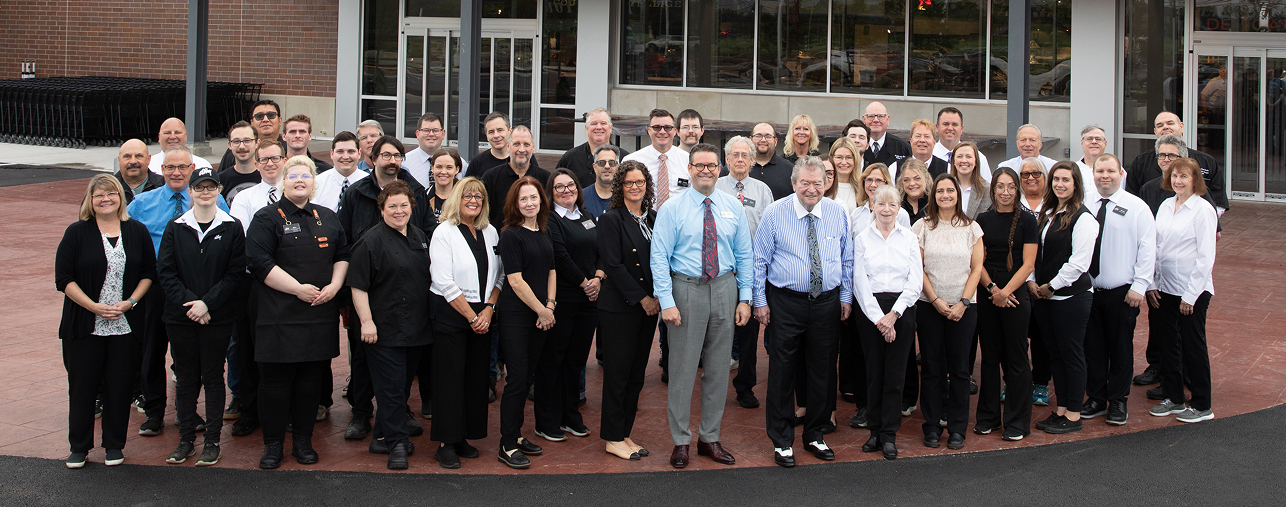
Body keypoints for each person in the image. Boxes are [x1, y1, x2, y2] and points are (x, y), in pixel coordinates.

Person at [651, 143, 754, 469]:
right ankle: (681, 441)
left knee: (718, 370)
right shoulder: (672, 209)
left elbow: (745, 254)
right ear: (691, 169)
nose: (706, 170)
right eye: (700, 165)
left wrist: (745, 297)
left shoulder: (732, 207)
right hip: (686, 291)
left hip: (724, 289)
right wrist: (666, 301)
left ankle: (710, 437)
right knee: (682, 370)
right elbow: (659, 258)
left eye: (711, 165)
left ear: (719, 168)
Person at [244, 156, 350, 469]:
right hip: (278, 316)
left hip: (318, 315)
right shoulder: (266, 218)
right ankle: (273, 445)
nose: (300, 180)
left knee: (309, 384)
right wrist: (296, 289)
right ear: (283, 182)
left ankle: (303, 442)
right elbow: (259, 262)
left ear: (313, 182)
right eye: (293, 175)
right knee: (275, 385)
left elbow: (343, 254)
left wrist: (334, 285)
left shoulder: (328, 217)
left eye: (306, 175)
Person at [753, 156, 854, 467]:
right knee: (783, 370)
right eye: (805, 183)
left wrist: (846, 296)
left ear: (826, 183)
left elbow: (846, 258)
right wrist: (759, 301)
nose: (812, 189)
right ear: (794, 183)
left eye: (818, 183)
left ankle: (815, 434)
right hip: (786, 302)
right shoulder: (774, 213)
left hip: (827, 302)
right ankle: (782, 440)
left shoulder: (838, 213)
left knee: (823, 370)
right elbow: (759, 261)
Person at [126, 145, 229, 438]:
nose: (176, 173)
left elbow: (229, 234)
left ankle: (189, 411)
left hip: (198, 290)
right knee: (152, 349)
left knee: (190, 355)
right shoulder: (142, 203)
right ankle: (155, 411)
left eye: (183, 167)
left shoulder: (213, 199)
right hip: (156, 287)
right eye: (170, 167)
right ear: (160, 170)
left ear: (192, 170)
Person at [335, 135, 432, 442]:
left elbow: (426, 234)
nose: (392, 161)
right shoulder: (356, 192)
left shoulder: (414, 190)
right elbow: (342, 237)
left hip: (404, 290)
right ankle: (361, 413)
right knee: (363, 356)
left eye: (397, 156)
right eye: (386, 155)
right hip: (365, 286)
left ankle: (397, 411)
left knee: (402, 361)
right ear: (372, 158)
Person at [55, 174, 155, 469]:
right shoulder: (76, 233)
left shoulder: (136, 231)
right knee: (83, 386)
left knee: (120, 386)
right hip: (85, 325)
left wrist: (131, 302)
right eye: (98, 195)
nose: (105, 199)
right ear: (90, 200)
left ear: (120, 198)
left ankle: (114, 445)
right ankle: (79, 446)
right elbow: (64, 279)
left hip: (126, 324)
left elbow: (149, 272)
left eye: (111, 193)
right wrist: (93, 307)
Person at [156, 167, 245, 467]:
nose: (205, 192)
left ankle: (212, 441)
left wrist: (206, 305)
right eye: (199, 188)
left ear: (219, 190)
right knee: (186, 378)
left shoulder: (232, 227)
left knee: (213, 377)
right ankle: (185, 441)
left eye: (211, 187)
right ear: (190, 192)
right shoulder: (175, 226)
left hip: (217, 318)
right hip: (181, 318)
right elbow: (166, 273)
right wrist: (192, 305)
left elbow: (234, 275)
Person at [347, 180, 433, 470]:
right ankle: (396, 444)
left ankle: (381, 436)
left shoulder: (420, 236)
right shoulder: (370, 242)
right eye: (392, 206)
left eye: (404, 205)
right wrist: (367, 322)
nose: (399, 211)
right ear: (381, 209)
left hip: (416, 328)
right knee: (391, 389)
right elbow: (358, 286)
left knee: (402, 387)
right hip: (383, 330)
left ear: (412, 207)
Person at [429, 177, 502, 469]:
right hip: (452, 315)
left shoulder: (491, 231)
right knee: (449, 381)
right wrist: (471, 316)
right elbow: (443, 280)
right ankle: (446, 443)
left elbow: (501, 275)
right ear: (457, 198)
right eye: (468, 195)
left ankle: (462, 437)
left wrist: (488, 310)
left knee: (474, 380)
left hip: (484, 315)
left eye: (479, 197)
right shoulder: (443, 232)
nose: (474, 200)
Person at [1082, 154, 1155, 427]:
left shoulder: (1137, 207)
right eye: (1100, 170)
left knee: (1120, 349)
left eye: (1110, 170)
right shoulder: (1085, 203)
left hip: (1122, 293)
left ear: (1121, 173)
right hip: (1088, 291)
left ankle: (1119, 401)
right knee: (1094, 349)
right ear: (1093, 173)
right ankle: (1097, 399)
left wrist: (1140, 286)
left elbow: (1148, 248)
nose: (1105, 175)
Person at [913, 174, 985, 450]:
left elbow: (977, 268)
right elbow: (916, 268)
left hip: (964, 309)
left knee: (959, 370)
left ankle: (957, 428)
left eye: (950, 190)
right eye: (940, 191)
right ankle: (931, 426)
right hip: (930, 306)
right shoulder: (921, 227)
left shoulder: (971, 228)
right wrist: (935, 301)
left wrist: (963, 303)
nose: (945, 195)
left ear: (958, 194)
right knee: (931, 368)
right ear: (933, 195)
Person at [851, 184, 922, 460]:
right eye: (881, 204)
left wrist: (894, 316)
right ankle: (874, 432)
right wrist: (879, 318)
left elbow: (915, 282)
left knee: (895, 376)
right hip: (871, 312)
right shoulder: (862, 238)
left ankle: (889, 435)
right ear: (873, 206)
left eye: (892, 204)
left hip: (901, 310)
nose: (886, 209)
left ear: (899, 208)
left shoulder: (908, 238)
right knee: (874, 373)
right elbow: (859, 281)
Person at [1028, 161, 1098, 435]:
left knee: (1071, 354)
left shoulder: (1084, 218)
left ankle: (1073, 414)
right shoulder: (1047, 212)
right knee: (1055, 354)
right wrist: (1033, 282)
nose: (1059, 184)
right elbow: (1036, 251)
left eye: (1066, 180)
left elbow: (1079, 263)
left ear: (1076, 184)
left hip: (1070, 297)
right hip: (1045, 297)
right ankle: (1060, 410)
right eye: (1056, 179)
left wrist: (1051, 286)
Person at [596, 161, 660, 461]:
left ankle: (624, 433)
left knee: (636, 375)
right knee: (618, 375)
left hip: (648, 308)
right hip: (621, 308)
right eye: (628, 183)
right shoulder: (612, 220)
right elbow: (613, 265)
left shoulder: (654, 218)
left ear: (647, 185)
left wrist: (658, 297)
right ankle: (611, 437)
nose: (635, 187)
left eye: (640, 182)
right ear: (620, 187)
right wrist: (642, 299)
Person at [535, 169, 604, 443]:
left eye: (571, 185)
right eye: (559, 187)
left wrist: (598, 278)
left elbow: (601, 252)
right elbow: (560, 257)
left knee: (575, 362)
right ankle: (547, 421)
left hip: (589, 302)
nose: (566, 190)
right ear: (550, 193)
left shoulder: (587, 217)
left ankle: (569, 416)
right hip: (562, 300)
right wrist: (585, 282)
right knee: (553, 361)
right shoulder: (550, 220)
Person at [1147, 158, 1217, 424]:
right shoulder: (1165, 206)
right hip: (1164, 288)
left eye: (1184, 176)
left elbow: (1206, 257)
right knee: (1167, 345)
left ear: (1195, 179)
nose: (1178, 180)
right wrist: (1152, 283)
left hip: (1192, 290)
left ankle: (1201, 404)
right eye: (1174, 175)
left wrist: (1191, 296)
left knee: (1192, 346)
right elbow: (1154, 246)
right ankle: (1174, 398)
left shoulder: (1203, 210)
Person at [495, 176, 557, 469]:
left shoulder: (543, 231)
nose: (530, 203)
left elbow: (551, 271)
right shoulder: (510, 235)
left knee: (527, 376)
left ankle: (517, 435)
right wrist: (541, 311)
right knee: (517, 378)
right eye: (524, 199)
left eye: (534, 198)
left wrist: (550, 305)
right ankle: (506, 444)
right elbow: (515, 281)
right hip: (517, 316)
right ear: (515, 204)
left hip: (541, 313)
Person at [973, 167, 1038, 441]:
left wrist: (1006, 292)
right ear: (993, 189)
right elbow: (978, 262)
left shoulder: (1028, 220)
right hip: (988, 291)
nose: (1005, 192)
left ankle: (1017, 422)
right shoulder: (982, 220)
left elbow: (1029, 264)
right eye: (1000, 186)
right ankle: (988, 417)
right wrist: (992, 289)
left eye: (1011, 186)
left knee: (1016, 358)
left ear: (1017, 189)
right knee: (989, 358)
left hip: (1015, 295)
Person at [716, 135, 774, 408]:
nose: (740, 159)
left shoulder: (763, 190)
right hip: (720, 271)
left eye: (745, 155)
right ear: (726, 160)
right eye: (735, 155)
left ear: (752, 160)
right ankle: (713, 382)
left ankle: (745, 387)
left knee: (748, 335)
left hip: (751, 273)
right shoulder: (714, 188)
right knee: (717, 331)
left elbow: (769, 231)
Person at [1126, 112, 1229, 217]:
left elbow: (1219, 201)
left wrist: (1209, 219)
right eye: (1160, 125)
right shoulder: (1141, 162)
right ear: (1155, 131)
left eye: (1170, 123)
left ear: (1181, 127)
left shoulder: (1207, 162)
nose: (1165, 127)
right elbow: (1131, 198)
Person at [1017, 157, 1053, 407]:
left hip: (1046, 284)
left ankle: (1040, 383)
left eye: (1036, 174)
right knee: (1017, 336)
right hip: (1017, 282)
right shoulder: (1012, 204)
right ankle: (1016, 382)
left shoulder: (1054, 206)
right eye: (1025, 174)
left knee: (1042, 337)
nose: (1031, 178)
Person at [482, 126, 550, 226]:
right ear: (508, 146)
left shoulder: (546, 178)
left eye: (526, 144)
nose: (521, 149)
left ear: (533, 147)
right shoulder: (491, 177)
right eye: (516, 144)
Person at [624, 109, 690, 211]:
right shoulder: (632, 160)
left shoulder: (689, 160)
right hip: (643, 222)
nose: (662, 131)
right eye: (657, 127)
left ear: (675, 131)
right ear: (649, 131)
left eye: (667, 127)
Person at [557, 108, 628, 186]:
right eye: (594, 123)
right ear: (586, 128)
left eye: (603, 123)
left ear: (610, 128)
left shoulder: (625, 158)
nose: (598, 127)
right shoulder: (570, 158)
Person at [229, 140, 287, 232]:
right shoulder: (243, 198)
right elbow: (240, 234)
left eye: (275, 158)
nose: (270, 164)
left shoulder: (298, 194)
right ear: (256, 165)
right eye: (264, 160)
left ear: (284, 162)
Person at [218, 100, 285, 172]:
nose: (265, 120)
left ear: (280, 121)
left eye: (271, 115)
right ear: (252, 122)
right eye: (259, 116)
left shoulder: (289, 148)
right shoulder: (237, 150)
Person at [311, 131, 370, 213]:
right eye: (340, 152)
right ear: (332, 154)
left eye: (351, 151)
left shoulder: (369, 183)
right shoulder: (317, 184)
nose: (345, 157)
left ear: (359, 153)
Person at [934, 107, 991, 180]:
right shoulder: (928, 156)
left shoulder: (978, 158)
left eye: (955, 124)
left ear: (961, 129)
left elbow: (987, 189)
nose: (950, 128)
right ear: (937, 127)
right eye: (946, 124)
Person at [147, 117, 213, 173]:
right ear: (159, 137)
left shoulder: (202, 166)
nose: (172, 137)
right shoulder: (148, 166)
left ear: (186, 136)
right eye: (167, 133)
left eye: (177, 132)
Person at [218, 121, 263, 202]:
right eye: (236, 141)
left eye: (247, 140)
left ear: (257, 143)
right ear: (229, 145)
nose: (241, 146)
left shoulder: (267, 176)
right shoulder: (220, 180)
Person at [749, 122, 795, 200]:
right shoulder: (739, 167)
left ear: (775, 141)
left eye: (768, 136)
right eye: (758, 136)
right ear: (750, 140)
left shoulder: (790, 169)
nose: (763, 140)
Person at [404, 112, 449, 187]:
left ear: (443, 134)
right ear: (417, 134)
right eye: (426, 130)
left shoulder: (457, 163)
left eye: (435, 130)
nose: (431, 134)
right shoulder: (404, 163)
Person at [863, 101, 912, 168]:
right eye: (871, 116)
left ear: (888, 119)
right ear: (864, 119)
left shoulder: (903, 148)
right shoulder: (855, 146)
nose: (876, 120)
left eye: (881, 116)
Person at [950, 142, 992, 219]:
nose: (964, 160)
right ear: (953, 161)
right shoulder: (945, 187)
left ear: (976, 161)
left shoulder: (987, 190)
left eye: (969, 157)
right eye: (959, 156)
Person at [113, 139, 163, 204]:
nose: (133, 161)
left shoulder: (164, 186)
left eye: (139, 156)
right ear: (119, 160)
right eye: (127, 156)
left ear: (149, 159)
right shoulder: (106, 188)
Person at [583, 144, 620, 217]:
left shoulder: (626, 197)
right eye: (601, 163)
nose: (607, 166)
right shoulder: (581, 197)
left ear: (618, 167)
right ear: (594, 167)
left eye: (612, 163)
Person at [426, 148, 461, 224]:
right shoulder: (423, 198)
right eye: (439, 167)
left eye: (449, 167)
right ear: (432, 168)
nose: (443, 172)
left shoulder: (464, 199)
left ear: (457, 170)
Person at [829, 137, 862, 213]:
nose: (844, 162)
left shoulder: (862, 188)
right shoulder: (825, 186)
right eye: (839, 157)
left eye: (848, 157)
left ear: (855, 159)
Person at [897, 158, 932, 223]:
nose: (912, 183)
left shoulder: (934, 205)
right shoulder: (896, 207)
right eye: (906, 180)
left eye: (917, 178)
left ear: (926, 179)